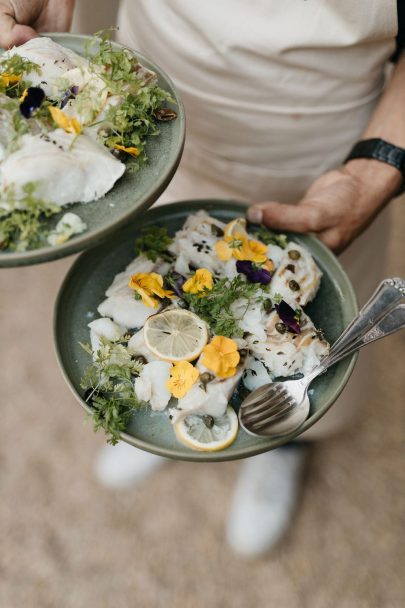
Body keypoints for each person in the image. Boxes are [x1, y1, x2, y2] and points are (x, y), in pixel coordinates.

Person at [2, 1, 404, 556]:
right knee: (161, 257)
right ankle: (169, 401)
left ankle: (286, 442)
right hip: (159, 92)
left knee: (325, 305)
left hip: (320, 133)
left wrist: (375, 165)